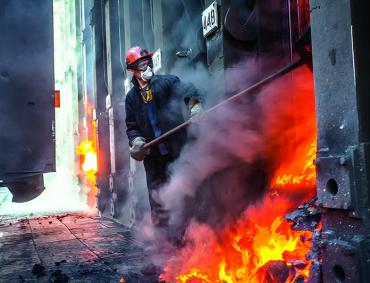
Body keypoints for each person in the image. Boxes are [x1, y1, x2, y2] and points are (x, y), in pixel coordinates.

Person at [124, 46, 202, 240]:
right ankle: (164, 245)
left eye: (147, 63)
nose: (146, 67)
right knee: (158, 201)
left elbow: (188, 91)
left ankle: (191, 240)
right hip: (154, 158)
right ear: (133, 70)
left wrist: (195, 105)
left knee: (185, 194)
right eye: (141, 65)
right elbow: (132, 126)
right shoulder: (131, 99)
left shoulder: (167, 82)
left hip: (177, 151)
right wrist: (137, 140)